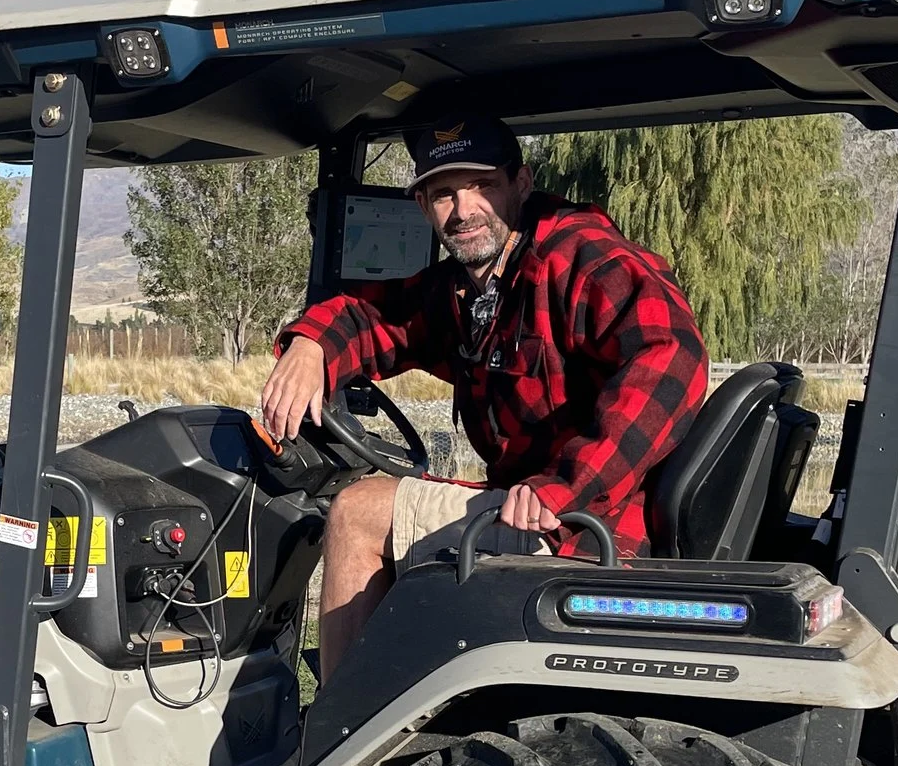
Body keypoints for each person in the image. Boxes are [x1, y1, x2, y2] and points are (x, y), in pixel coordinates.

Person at [259, 115, 709, 679]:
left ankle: (334, 737)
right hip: (533, 508)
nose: (464, 209)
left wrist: (564, 487)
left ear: (521, 184)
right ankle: (381, 707)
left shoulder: (580, 257)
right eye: (444, 193)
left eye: (483, 186)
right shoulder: (469, 289)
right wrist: (310, 347)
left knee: (358, 511)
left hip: (590, 529)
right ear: (423, 205)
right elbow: (380, 319)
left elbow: (672, 356)